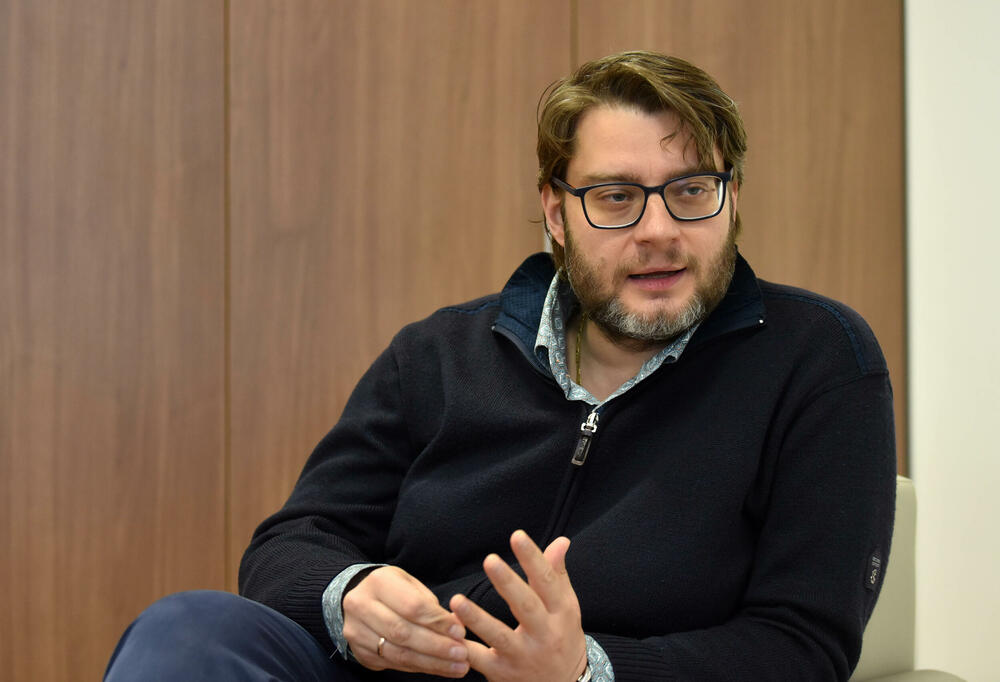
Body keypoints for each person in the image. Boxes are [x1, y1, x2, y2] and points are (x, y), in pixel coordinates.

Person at [105, 50, 896, 682]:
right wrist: (350, 595)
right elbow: (293, 543)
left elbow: (802, 646)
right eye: (616, 197)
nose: (659, 230)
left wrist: (586, 671)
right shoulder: (437, 356)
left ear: (733, 197)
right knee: (191, 631)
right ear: (557, 212)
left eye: (691, 191)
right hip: (398, 670)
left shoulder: (819, 360)